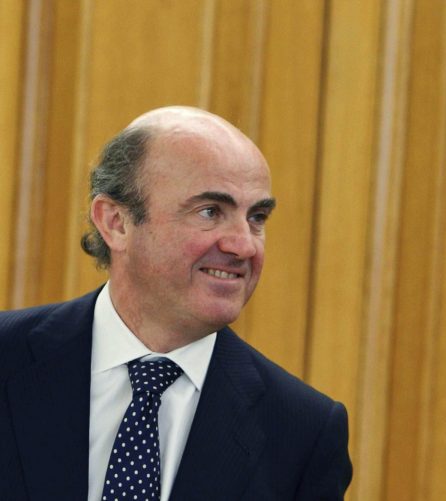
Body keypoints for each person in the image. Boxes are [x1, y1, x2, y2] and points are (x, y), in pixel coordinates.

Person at [0, 106, 352, 500]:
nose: (243, 245)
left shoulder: (303, 431)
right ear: (116, 222)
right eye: (210, 212)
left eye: (256, 217)